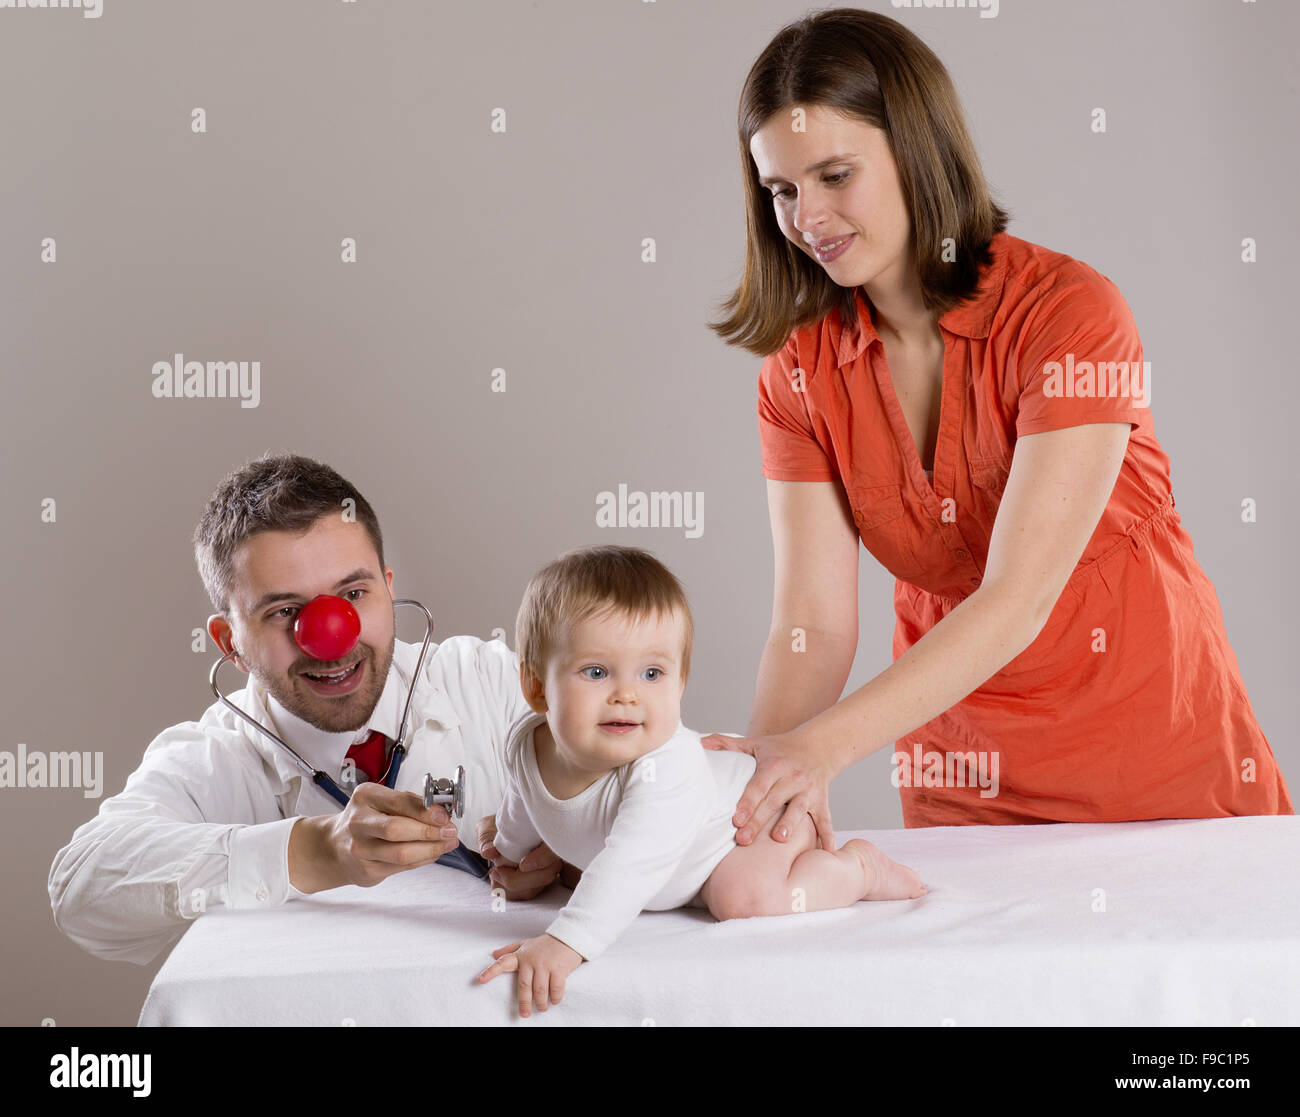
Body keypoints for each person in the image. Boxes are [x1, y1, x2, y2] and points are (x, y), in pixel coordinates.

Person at [701, 9, 1293, 850]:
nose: (808, 218)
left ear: (916, 147)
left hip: (1157, 752)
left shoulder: (1071, 314)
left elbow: (1017, 599)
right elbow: (814, 625)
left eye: (835, 174)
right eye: (782, 191)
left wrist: (817, 754)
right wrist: (751, 789)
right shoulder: (796, 374)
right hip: (965, 774)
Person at [48, 453, 571, 964]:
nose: (332, 637)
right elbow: (82, 886)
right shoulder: (217, 754)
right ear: (229, 642)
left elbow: (651, 782)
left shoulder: (492, 682)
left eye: (354, 593)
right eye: (286, 611)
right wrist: (313, 851)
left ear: (388, 590)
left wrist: (575, 851)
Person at [475, 545, 925, 1017]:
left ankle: (858, 870)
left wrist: (565, 944)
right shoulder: (527, 743)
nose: (627, 695)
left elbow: (631, 862)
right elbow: (523, 802)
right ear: (536, 687)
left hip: (750, 825)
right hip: (674, 870)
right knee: (574, 869)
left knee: (740, 898)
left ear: (680, 682)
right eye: (596, 671)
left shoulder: (664, 768)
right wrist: (507, 851)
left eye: (652, 673)